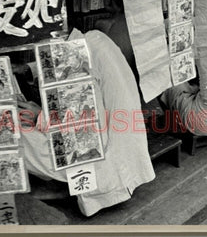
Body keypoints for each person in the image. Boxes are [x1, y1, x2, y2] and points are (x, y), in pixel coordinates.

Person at [17, 29, 155, 217]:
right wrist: (29, 70)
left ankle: (65, 186)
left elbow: (83, 129)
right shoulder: (96, 39)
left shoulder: (73, 57)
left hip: (108, 165)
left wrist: (39, 117)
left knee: (18, 133)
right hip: (127, 152)